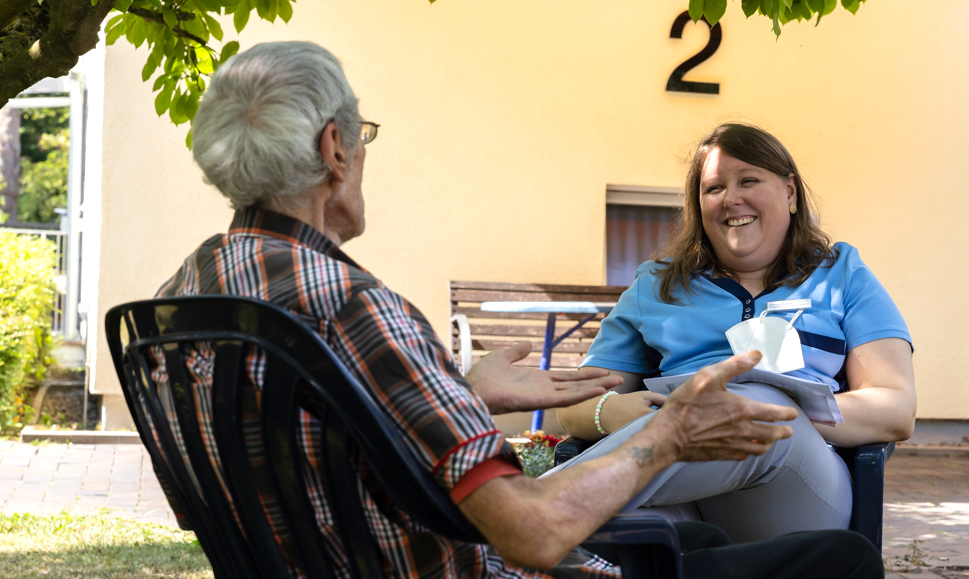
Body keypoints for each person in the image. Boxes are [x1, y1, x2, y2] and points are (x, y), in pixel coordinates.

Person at [153, 42, 884, 578]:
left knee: (703, 549)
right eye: (363, 136)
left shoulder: (181, 298)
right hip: (465, 569)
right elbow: (531, 534)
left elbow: (264, 453)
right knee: (842, 557)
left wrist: (463, 392)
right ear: (335, 149)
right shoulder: (353, 307)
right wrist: (671, 431)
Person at [557, 123, 916, 542]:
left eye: (749, 180)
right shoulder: (654, 286)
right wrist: (611, 411)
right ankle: (526, 527)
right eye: (713, 189)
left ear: (790, 192)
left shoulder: (842, 274)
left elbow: (895, 409)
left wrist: (782, 410)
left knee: (754, 401)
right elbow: (573, 405)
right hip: (685, 491)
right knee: (623, 535)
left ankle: (526, 506)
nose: (731, 199)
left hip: (801, 490)